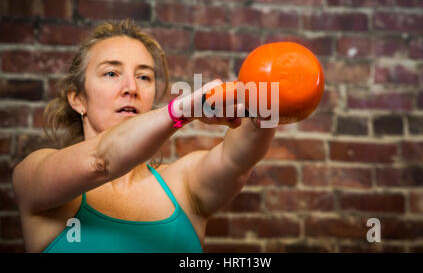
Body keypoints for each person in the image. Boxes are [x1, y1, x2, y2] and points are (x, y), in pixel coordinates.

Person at [11, 19, 277, 253]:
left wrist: (272, 96)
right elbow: (99, 161)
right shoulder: (34, 174)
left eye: (144, 77)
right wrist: (184, 110)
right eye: (111, 73)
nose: (131, 88)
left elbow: (239, 158)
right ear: (78, 99)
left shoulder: (183, 185)